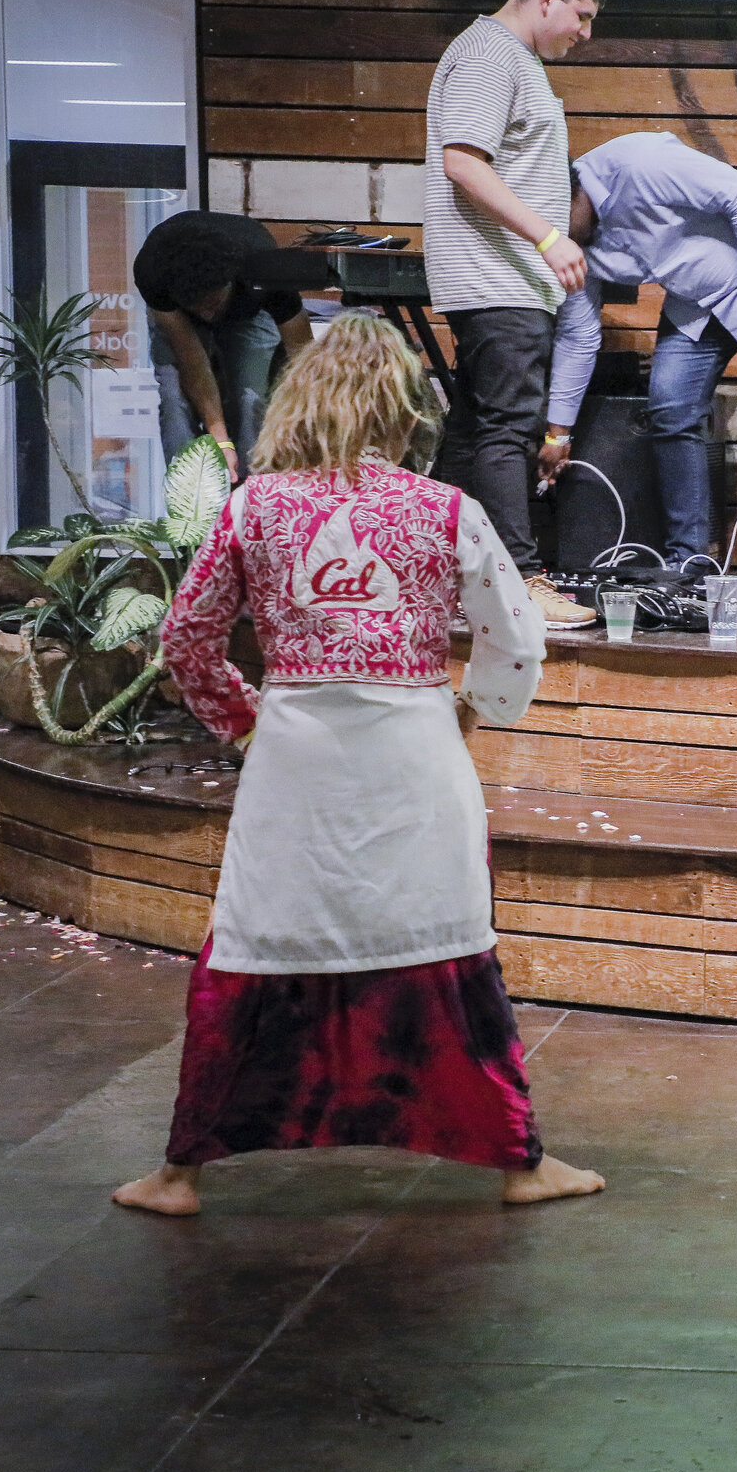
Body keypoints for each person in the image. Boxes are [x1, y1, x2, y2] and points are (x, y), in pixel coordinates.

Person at [112, 314, 605, 1217]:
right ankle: (520, 1163)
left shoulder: (252, 506)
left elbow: (186, 639)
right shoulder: (446, 509)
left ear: (301, 397)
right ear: (405, 406)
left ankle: (180, 1173)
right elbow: (517, 636)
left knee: (254, 948)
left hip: (292, 756)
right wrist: (473, 710)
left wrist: (249, 722)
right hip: (415, 753)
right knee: (450, 950)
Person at [552, 133, 737, 595]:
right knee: (670, 409)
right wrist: (557, 434)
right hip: (696, 296)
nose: (552, 236)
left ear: (573, 188)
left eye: (554, 221)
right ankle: (689, 562)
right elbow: (578, 337)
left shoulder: (640, 162)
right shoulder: (568, 244)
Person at [425, 0, 605, 628]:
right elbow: (463, 164)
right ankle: (522, 581)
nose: (585, 35)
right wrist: (549, 236)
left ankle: (429, 574)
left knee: (472, 433)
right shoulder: (490, 55)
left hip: (503, 281)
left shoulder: (511, 59)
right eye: (582, 17)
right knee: (508, 430)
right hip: (497, 279)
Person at [132, 210, 315, 485]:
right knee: (174, 399)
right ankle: (189, 499)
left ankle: (252, 492)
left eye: (213, 304)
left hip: (249, 311)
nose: (207, 315)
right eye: (199, 309)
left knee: (251, 398)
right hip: (179, 317)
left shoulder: (264, 266)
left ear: (230, 282)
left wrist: (315, 426)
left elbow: (303, 355)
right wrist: (221, 440)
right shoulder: (153, 272)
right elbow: (192, 359)